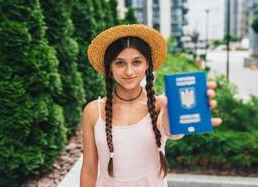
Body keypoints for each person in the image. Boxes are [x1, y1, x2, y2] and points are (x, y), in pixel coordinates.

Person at [80, 24, 222, 187]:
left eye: (137, 62)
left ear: (147, 64)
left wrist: (185, 115)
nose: (129, 71)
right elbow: (89, 170)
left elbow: (173, 131)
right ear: (110, 68)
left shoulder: (161, 104)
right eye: (120, 63)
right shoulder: (93, 111)